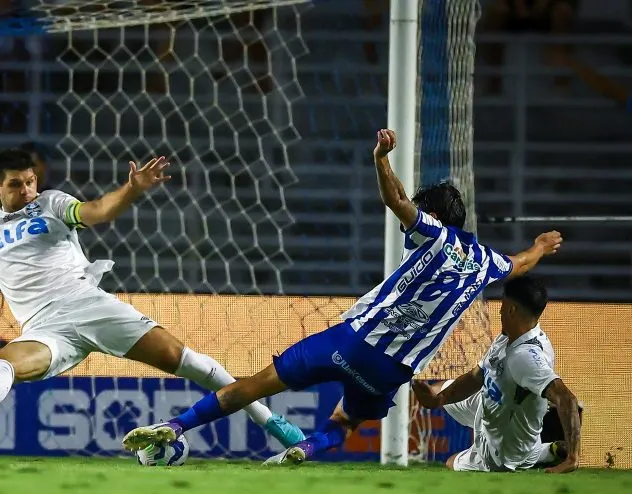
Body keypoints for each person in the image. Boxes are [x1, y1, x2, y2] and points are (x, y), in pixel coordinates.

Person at [122, 128, 563, 466]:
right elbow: (520, 263)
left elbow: (396, 199)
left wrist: (380, 159)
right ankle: (307, 448)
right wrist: (541, 246)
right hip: (392, 370)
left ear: (431, 214)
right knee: (346, 421)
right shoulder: (486, 260)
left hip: (353, 341)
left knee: (253, 385)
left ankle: (176, 426)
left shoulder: (433, 233)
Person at [0, 131, 306, 449]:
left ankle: (272, 423)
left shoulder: (52, 204)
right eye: (16, 185)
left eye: (30, 181)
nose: (26, 190)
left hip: (87, 306)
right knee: (1, 362)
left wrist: (131, 189)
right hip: (43, 328)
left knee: (188, 362)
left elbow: (98, 211)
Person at [411, 275, 581, 474]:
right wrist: (438, 399)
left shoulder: (524, 357)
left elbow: (567, 399)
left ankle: (541, 454)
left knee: (451, 462)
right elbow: (477, 376)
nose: (499, 310)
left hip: (502, 450)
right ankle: (541, 452)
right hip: (495, 400)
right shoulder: (509, 336)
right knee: (439, 389)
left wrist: (573, 458)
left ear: (511, 309)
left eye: (502, 304)